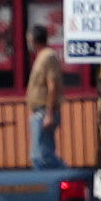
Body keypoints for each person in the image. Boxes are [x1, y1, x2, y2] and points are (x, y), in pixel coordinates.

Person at [23, 25, 64, 171]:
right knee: (38, 156)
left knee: (43, 156)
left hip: (44, 111)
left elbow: (52, 85)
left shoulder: (48, 57)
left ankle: (70, 178)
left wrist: (50, 113)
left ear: (33, 39)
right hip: (38, 111)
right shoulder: (40, 57)